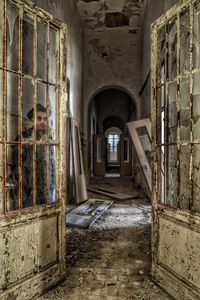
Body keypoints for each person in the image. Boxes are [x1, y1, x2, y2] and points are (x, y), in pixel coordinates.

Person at [8, 104, 56, 209]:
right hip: (28, 187)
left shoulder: (49, 138)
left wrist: (53, 183)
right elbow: (17, 166)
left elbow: (52, 162)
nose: (43, 121)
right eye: (39, 118)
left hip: (46, 186)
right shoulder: (23, 137)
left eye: (45, 119)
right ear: (31, 120)